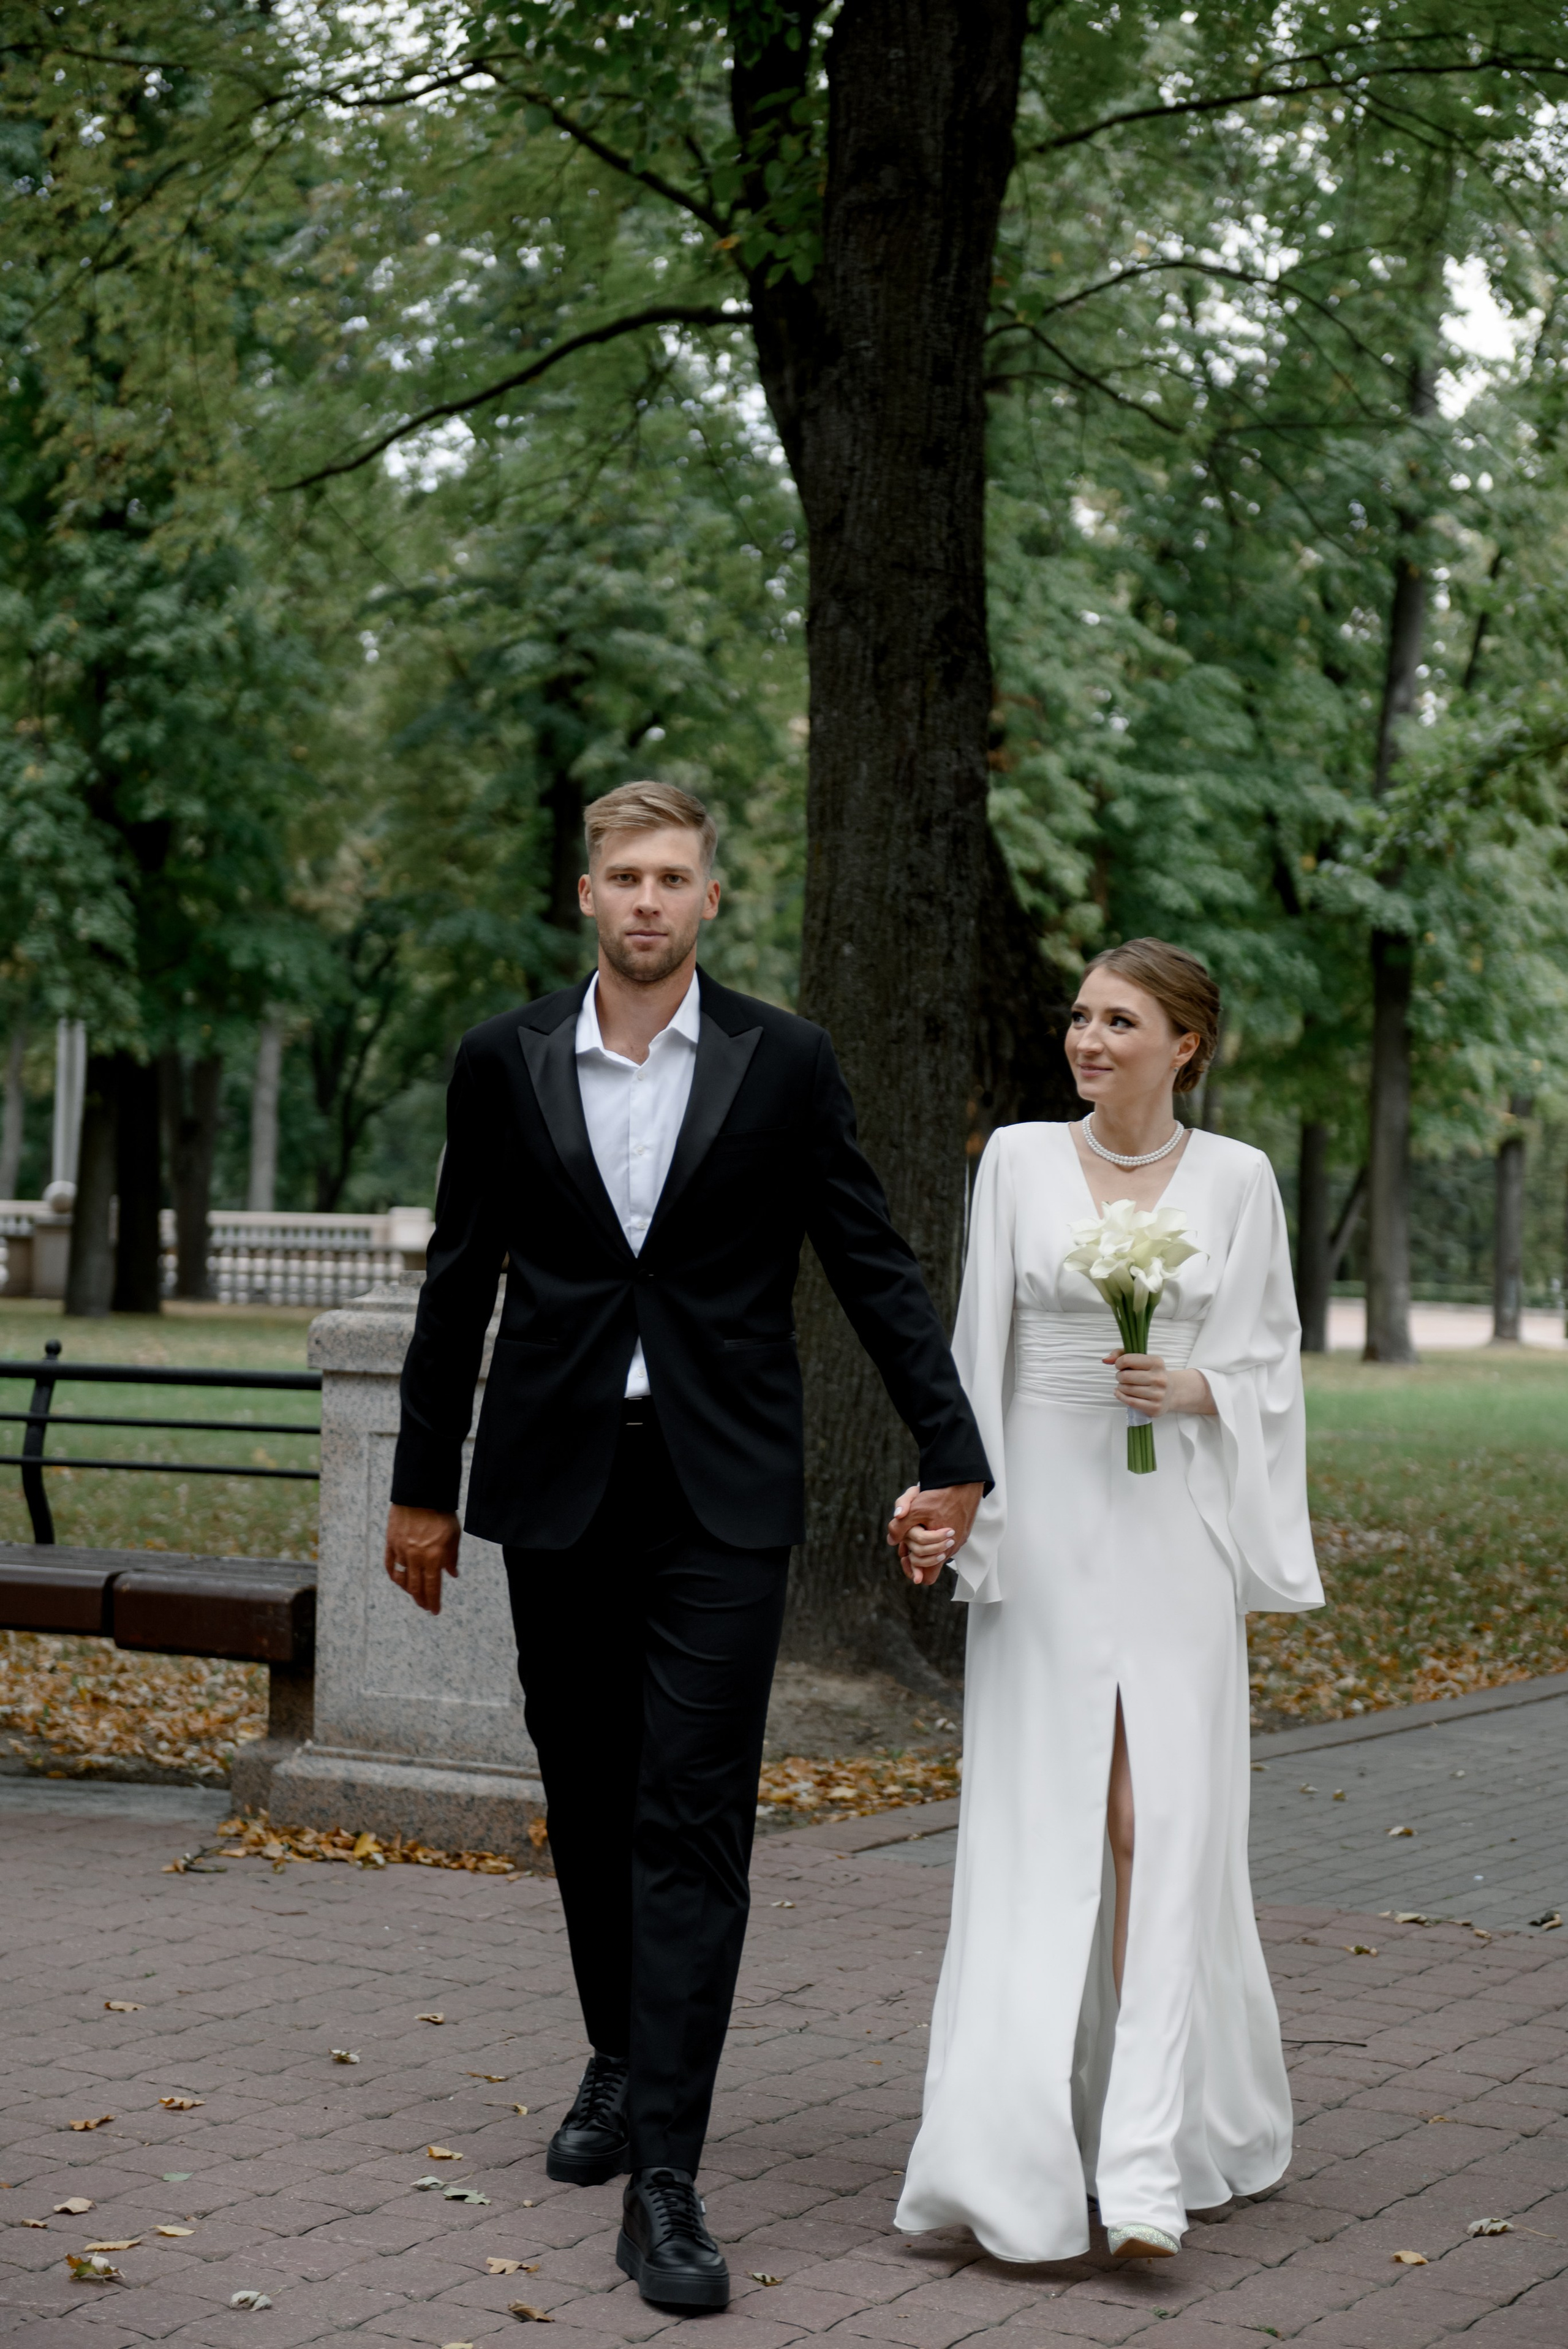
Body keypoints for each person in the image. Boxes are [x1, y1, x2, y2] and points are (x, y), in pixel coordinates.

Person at [382, 779, 990, 2312]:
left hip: (722, 1495)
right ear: (584, 895)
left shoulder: (782, 1062)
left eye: (673, 877)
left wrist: (951, 1444)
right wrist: (419, 1485)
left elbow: (866, 1254)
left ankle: (667, 2174)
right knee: (588, 1800)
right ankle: (614, 2052)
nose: (647, 900)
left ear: (712, 898)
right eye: (621, 877)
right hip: (556, 1487)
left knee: (693, 1812)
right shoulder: (502, 1062)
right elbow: (461, 1280)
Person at [889, 937, 1321, 2265]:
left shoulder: (1240, 1181)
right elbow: (975, 1350)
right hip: (1052, 1523)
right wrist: (951, 1501)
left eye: (1117, 1021)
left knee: (1155, 1823)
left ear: (1183, 1044)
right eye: (1079, 1017)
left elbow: (1267, 1360)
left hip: (1172, 1526)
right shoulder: (1015, 1161)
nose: (1086, 1040)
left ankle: (1142, 2164)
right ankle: (1007, 2146)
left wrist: (1194, 1389)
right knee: (1047, 1821)